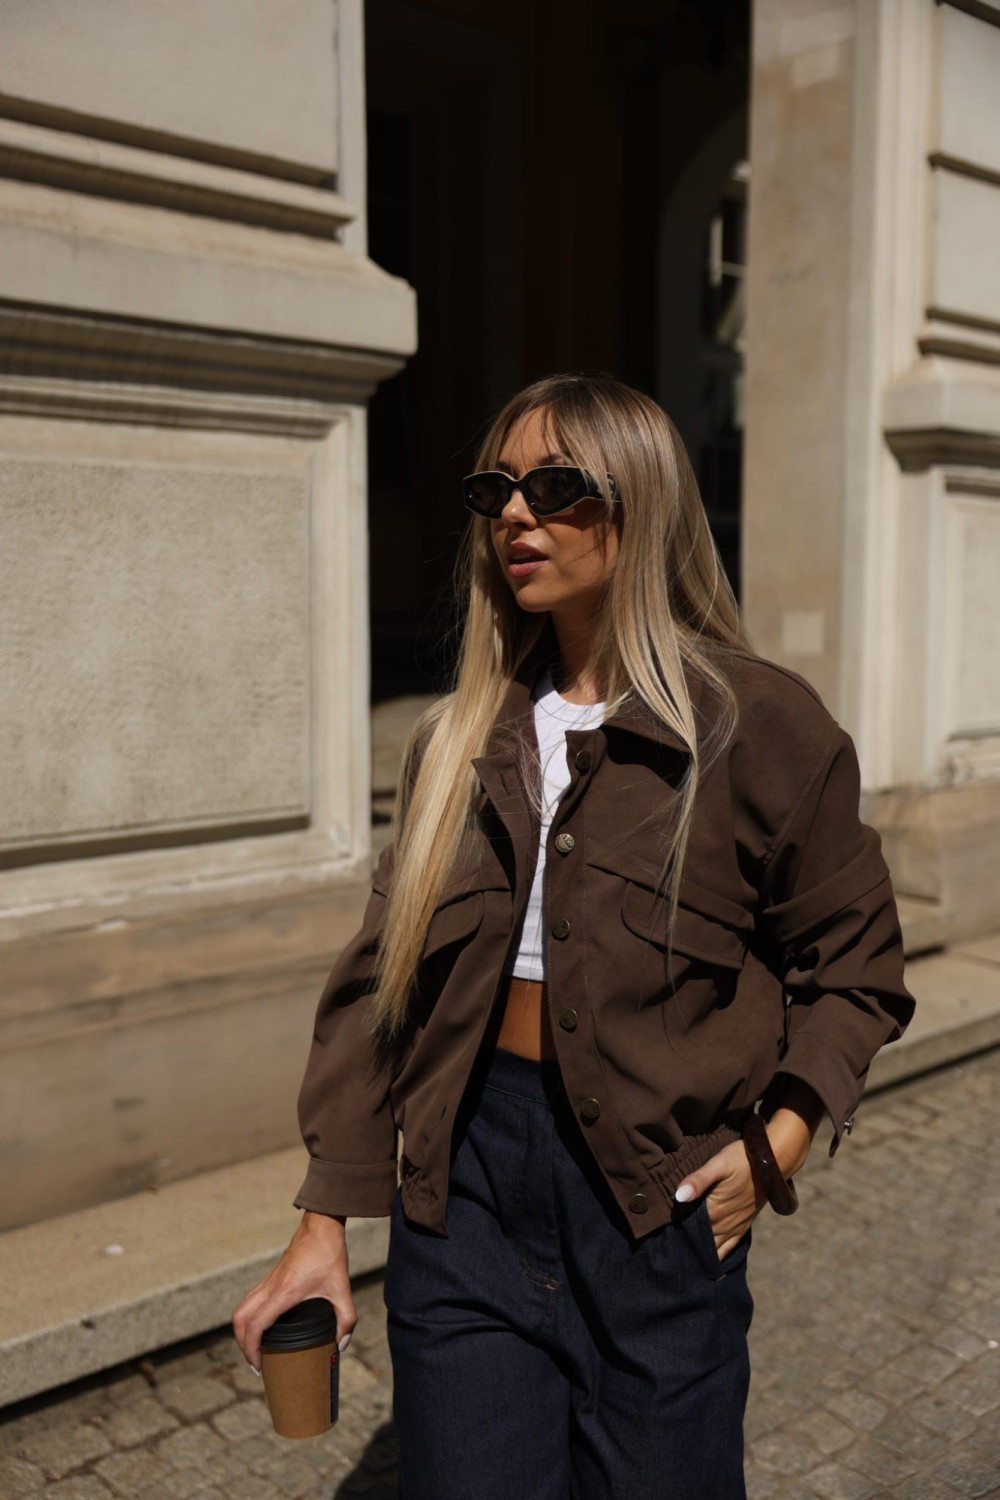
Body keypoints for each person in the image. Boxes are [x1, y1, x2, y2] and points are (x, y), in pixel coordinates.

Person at [233, 370, 916, 1499]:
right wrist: (321, 1222)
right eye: (494, 489)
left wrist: (777, 1145)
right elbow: (379, 991)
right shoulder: (457, 737)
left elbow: (857, 969)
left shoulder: (756, 727)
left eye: (554, 486)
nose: (514, 512)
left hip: (655, 1211)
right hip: (464, 1201)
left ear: (639, 504)